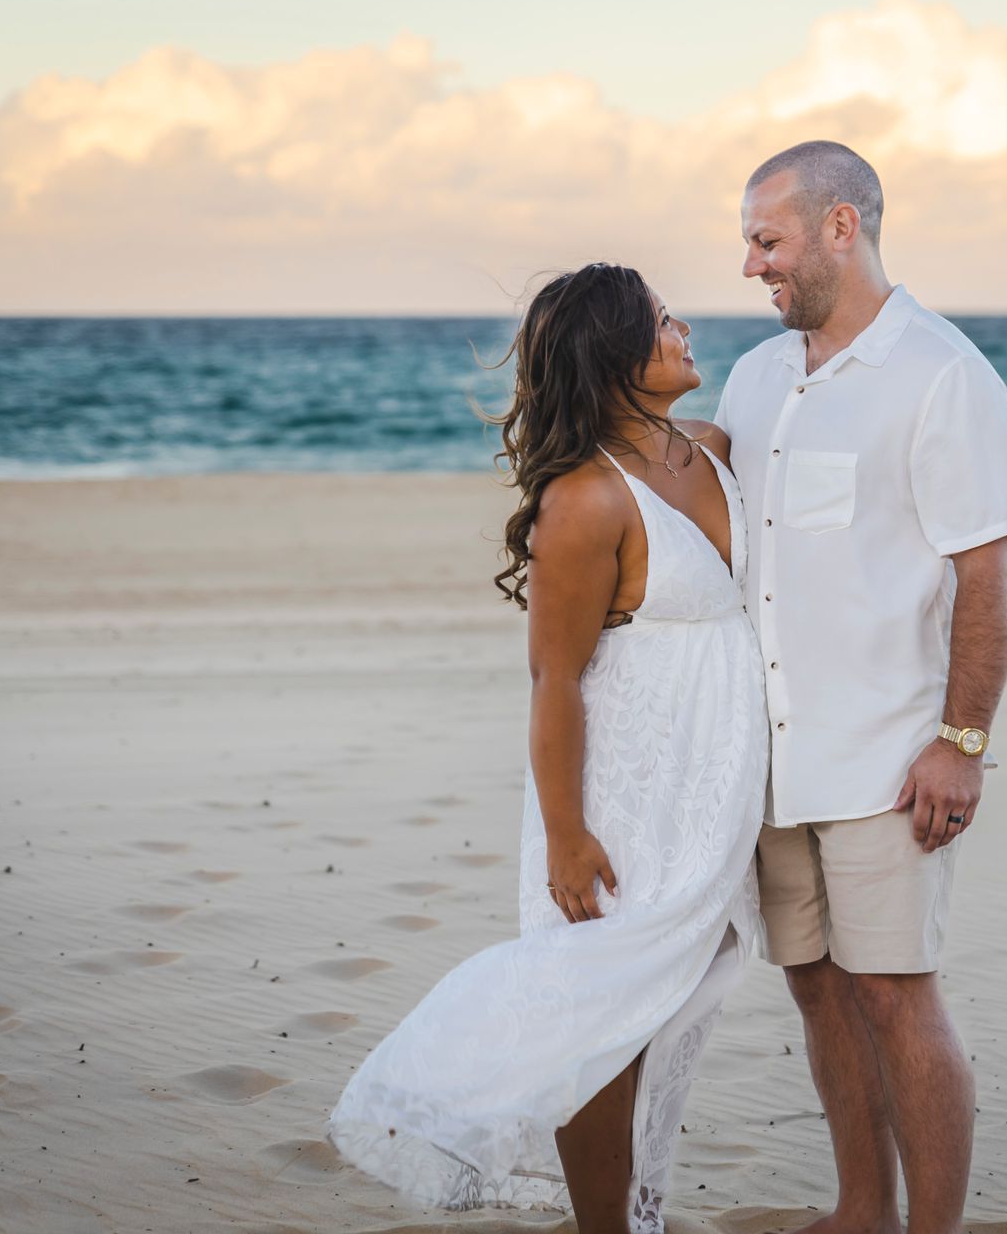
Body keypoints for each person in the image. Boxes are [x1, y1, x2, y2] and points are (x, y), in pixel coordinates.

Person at [326, 263, 767, 1234]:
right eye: (661, 321)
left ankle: (636, 1206)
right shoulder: (585, 501)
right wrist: (567, 833)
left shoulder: (710, 447)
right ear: (614, 354)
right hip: (617, 797)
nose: (685, 326)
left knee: (656, 1001)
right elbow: (554, 679)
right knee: (594, 1017)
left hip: (706, 789)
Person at [714, 141, 1007, 1234]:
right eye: (749, 242)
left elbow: (987, 571)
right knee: (814, 984)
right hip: (773, 761)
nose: (753, 265)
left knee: (895, 991)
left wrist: (963, 740)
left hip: (889, 762)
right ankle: (862, 1208)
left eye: (769, 239)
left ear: (842, 228)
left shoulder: (944, 376)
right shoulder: (755, 378)